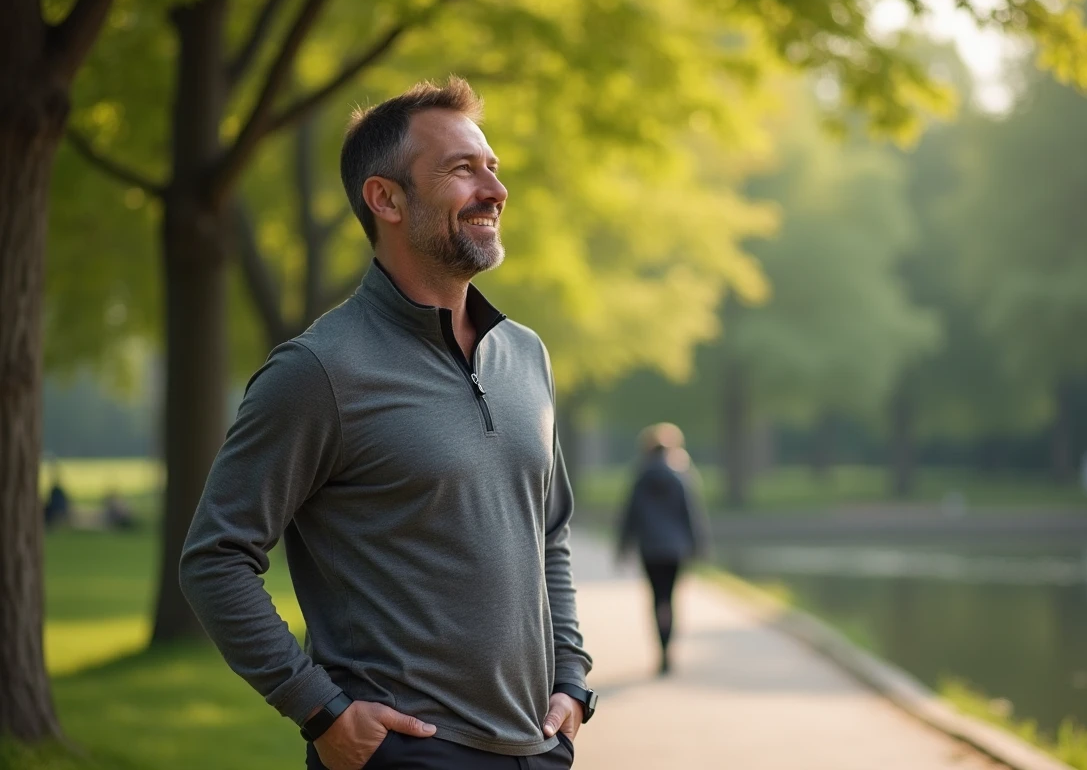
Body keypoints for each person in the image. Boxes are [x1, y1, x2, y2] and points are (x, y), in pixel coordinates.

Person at [180, 77, 594, 770]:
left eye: (492, 167)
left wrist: (572, 679)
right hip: (405, 757)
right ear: (386, 198)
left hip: (538, 750)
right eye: (463, 169)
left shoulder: (526, 353)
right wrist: (319, 708)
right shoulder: (318, 371)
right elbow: (215, 557)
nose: (495, 190)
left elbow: (547, 529)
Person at [616, 423, 709, 676]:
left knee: (657, 599)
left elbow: (629, 514)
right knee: (671, 599)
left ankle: (661, 651)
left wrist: (622, 547)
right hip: (676, 548)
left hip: (650, 547)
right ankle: (669, 650)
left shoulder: (640, 476)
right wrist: (699, 545)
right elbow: (691, 513)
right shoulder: (682, 475)